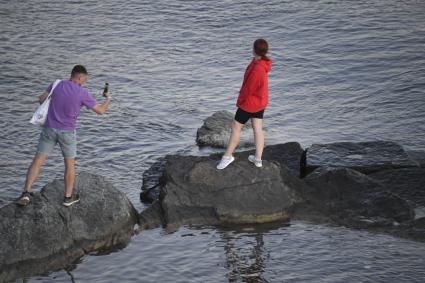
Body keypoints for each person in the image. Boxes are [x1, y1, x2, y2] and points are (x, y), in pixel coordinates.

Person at [16, 65, 112, 207]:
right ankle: (67, 198)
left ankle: (26, 193)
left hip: (49, 129)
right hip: (67, 132)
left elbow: (41, 99)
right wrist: (108, 99)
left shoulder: (57, 84)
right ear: (79, 77)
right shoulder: (82, 92)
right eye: (84, 80)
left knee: (37, 161)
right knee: (70, 164)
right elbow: (100, 111)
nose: (83, 82)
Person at [217, 39, 272, 170]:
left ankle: (227, 157)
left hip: (250, 103)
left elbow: (249, 89)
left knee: (236, 127)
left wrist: (240, 101)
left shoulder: (257, 68)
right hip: (260, 101)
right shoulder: (262, 63)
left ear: (255, 50)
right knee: (257, 128)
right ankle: (258, 160)